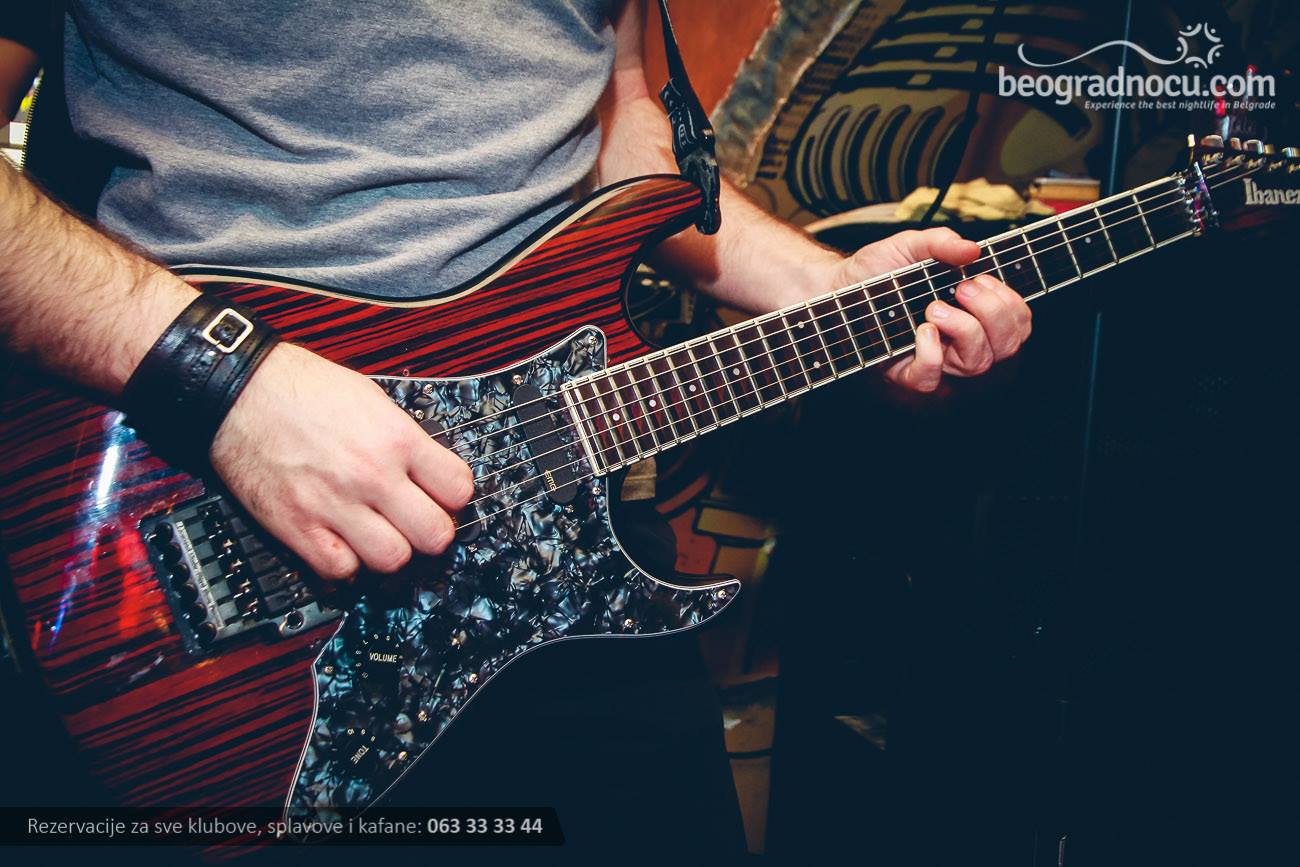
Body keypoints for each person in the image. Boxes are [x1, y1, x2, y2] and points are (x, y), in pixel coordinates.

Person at [0, 1, 1031, 857]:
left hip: (566, 552)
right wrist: (226, 381)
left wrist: (825, 285)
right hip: (204, 511)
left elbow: (619, 137)